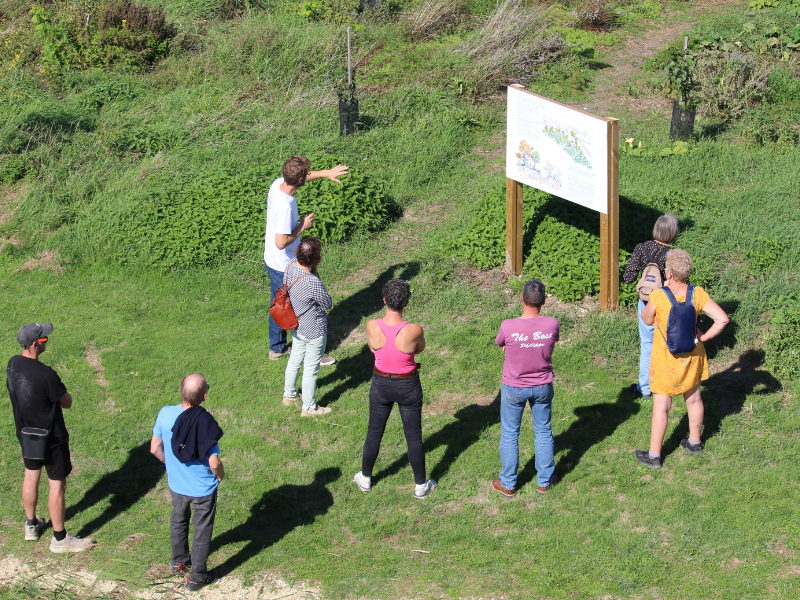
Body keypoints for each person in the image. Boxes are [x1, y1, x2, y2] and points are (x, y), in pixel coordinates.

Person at [633, 249, 729, 469]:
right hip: (691, 356)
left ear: (668, 273)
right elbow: (722, 319)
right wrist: (703, 337)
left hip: (665, 359)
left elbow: (646, 319)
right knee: (694, 399)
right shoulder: (698, 294)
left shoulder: (659, 295)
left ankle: (654, 456)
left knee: (661, 407)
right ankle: (694, 443)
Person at [6, 323, 94, 553]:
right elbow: (67, 402)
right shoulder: (47, 375)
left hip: (26, 434)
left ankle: (31, 525)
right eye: (44, 339)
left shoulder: (13, 364)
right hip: (52, 438)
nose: (46, 341)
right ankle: (60, 538)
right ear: (35, 344)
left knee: (30, 475)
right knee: (57, 484)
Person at [353, 279, 436, 499]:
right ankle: (420, 485)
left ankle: (365, 478)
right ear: (406, 303)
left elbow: (372, 347)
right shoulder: (414, 329)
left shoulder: (372, 325)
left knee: (374, 433)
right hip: (408, 385)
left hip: (380, 384)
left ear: (384, 300)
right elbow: (420, 348)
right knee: (414, 437)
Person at [264, 155, 347, 363]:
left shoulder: (278, 184)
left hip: (273, 261)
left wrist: (325, 173)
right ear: (300, 180)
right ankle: (312, 351)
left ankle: (277, 348)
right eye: (306, 174)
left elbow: (301, 175)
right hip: (285, 265)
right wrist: (303, 226)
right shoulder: (285, 206)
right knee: (300, 306)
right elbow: (281, 242)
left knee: (280, 302)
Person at [151, 374, 224, 591]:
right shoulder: (206, 423)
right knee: (202, 530)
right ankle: (198, 577)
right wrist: (221, 475)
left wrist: (170, 465)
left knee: (178, 520)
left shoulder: (165, 414)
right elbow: (213, 462)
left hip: (177, 486)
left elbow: (155, 448)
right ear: (204, 396)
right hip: (203, 489)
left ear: (181, 391)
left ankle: (178, 562)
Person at [492, 280, 560, 498]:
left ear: (521, 299)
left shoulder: (508, 326)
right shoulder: (552, 324)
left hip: (514, 386)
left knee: (510, 433)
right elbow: (550, 343)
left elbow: (500, 343)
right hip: (542, 386)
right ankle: (544, 481)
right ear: (544, 302)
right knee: (543, 431)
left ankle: (509, 484)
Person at [622, 214, 680, 400]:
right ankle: (667, 384)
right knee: (667, 344)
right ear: (673, 233)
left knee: (647, 344)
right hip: (667, 304)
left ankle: (645, 388)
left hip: (646, 303)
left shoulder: (642, 248)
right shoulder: (673, 255)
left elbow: (628, 277)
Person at [283, 236, 334, 416]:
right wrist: (315, 272)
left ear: (298, 253)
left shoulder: (289, 266)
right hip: (313, 328)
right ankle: (309, 407)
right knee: (311, 369)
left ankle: (289, 396)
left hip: (295, 324)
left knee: (295, 359)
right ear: (316, 259)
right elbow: (327, 303)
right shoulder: (312, 281)